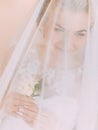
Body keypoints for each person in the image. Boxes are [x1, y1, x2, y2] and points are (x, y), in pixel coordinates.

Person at [0, 0, 94, 130]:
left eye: (80, 33)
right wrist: (3, 105)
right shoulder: (16, 56)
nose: (67, 42)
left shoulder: (90, 78)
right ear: (41, 24)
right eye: (59, 29)